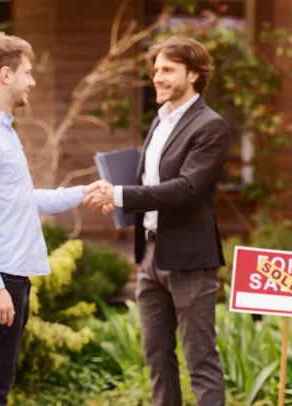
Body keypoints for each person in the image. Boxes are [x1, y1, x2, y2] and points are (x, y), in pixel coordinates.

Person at [0, 31, 97, 405]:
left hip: (13, 274)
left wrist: (82, 194)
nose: (32, 81)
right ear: (5, 75)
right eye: (27, 72)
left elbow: (18, 201)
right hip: (0, 277)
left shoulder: (2, 132)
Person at [86, 35, 228, 406]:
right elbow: (149, 182)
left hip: (190, 261)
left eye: (167, 70)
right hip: (150, 254)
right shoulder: (159, 121)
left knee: (200, 360)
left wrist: (119, 195)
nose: (157, 78)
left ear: (194, 75)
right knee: (157, 359)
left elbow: (184, 190)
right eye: (155, 70)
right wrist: (113, 194)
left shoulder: (210, 126)